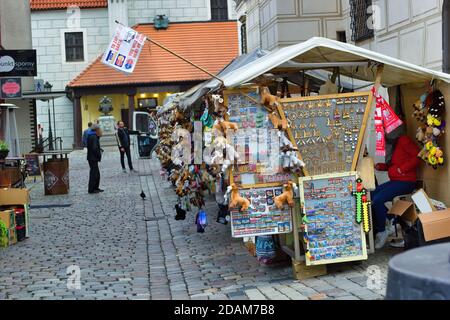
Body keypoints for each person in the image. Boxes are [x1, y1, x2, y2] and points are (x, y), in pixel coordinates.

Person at [372, 134, 420, 249]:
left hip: (406, 181)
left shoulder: (403, 139)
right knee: (371, 195)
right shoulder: (391, 143)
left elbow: (418, 156)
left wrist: (402, 169)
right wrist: (381, 166)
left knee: (377, 200)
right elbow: (393, 164)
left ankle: (382, 230)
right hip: (395, 180)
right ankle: (392, 221)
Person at [87, 124, 104, 194]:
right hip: (93, 158)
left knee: (96, 174)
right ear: (96, 130)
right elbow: (94, 148)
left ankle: (95, 188)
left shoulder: (92, 136)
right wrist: (98, 154)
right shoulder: (94, 137)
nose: (101, 131)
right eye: (99, 129)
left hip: (91, 157)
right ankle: (91, 189)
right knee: (94, 174)